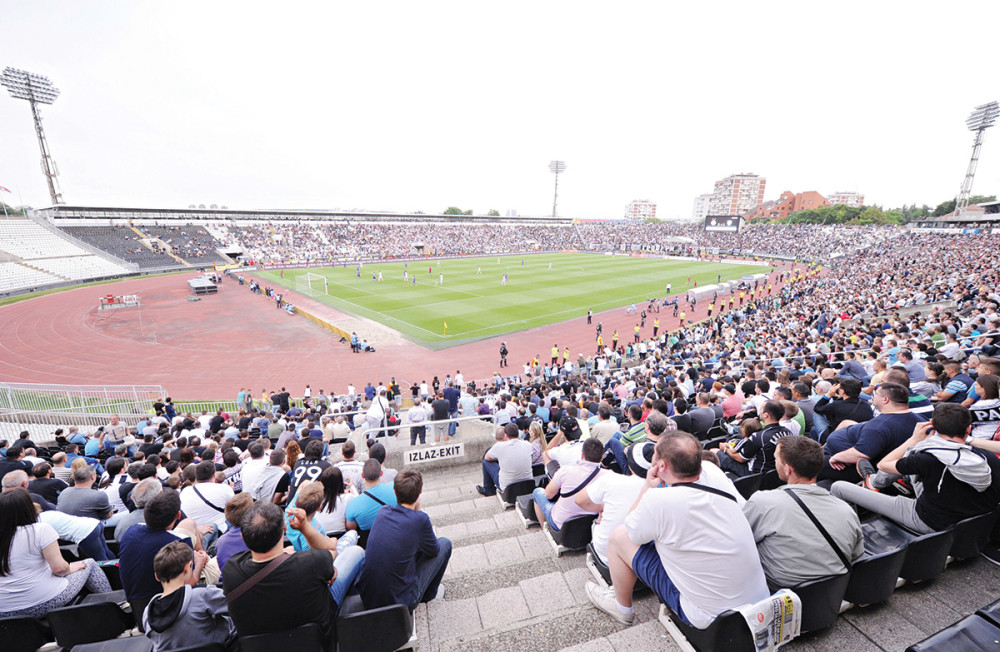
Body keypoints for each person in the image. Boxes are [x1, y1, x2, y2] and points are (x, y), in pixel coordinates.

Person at [585, 432, 768, 627]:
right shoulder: (713, 471)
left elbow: (631, 529)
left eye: (655, 452)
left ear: (661, 465)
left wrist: (647, 485)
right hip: (758, 599)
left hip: (707, 615)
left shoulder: (657, 501)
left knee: (619, 536)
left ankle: (621, 607)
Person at [832, 403, 1000, 534]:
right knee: (914, 464)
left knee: (838, 487)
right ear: (969, 428)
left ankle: (873, 484)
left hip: (929, 522)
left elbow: (883, 464)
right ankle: (877, 482)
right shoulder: (988, 456)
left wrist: (913, 440)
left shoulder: (924, 457)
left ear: (933, 425)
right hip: (976, 521)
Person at [222, 501, 361, 650]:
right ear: (284, 529)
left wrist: (287, 554)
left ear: (243, 537)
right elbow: (331, 549)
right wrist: (305, 527)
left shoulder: (231, 571)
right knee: (356, 551)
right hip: (318, 641)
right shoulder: (312, 563)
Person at [742, 436, 863, 590]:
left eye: (776, 459)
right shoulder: (846, 509)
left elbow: (739, 540)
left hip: (780, 590)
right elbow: (857, 554)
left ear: (788, 469)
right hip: (832, 590)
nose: (775, 463)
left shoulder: (762, 502)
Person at [0, 489, 113, 618]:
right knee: (90, 563)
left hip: (4, 611)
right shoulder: (40, 529)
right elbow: (59, 569)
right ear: (28, 508)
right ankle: (113, 606)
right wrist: (70, 568)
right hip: (45, 602)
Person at [357, 467, 451, 611]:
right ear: (420, 492)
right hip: (400, 603)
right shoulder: (420, 519)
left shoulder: (383, 512)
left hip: (368, 596)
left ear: (394, 492)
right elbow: (434, 550)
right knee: (445, 543)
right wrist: (418, 509)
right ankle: (429, 595)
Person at [120, 490, 210, 611]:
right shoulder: (179, 542)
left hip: (137, 605)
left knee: (189, 523)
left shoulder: (131, 531)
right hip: (167, 607)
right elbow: (189, 583)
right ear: (178, 515)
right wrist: (200, 561)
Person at [821, 382, 926, 484]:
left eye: (876, 394)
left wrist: (836, 457)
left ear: (885, 399)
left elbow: (861, 454)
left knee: (808, 463)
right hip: (844, 449)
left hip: (853, 465)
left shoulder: (879, 426)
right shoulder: (920, 420)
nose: (873, 397)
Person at [143, 541, 239, 652]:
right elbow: (239, 606)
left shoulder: (147, 613)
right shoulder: (204, 595)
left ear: (157, 577)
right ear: (188, 567)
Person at [532, 438, 604, 531]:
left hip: (561, 524)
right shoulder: (608, 475)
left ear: (582, 455)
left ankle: (544, 529)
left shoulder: (565, 471)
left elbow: (548, 495)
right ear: (602, 458)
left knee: (537, 492)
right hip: (591, 521)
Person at [715, 400, 791, 477]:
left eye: (761, 409)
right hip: (774, 474)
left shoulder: (759, 436)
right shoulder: (788, 432)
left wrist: (725, 449)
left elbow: (740, 458)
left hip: (754, 474)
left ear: (766, 415)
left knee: (714, 452)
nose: (759, 411)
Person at [345, 459, 398, 541]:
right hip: (397, 538)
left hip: (371, 546)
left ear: (362, 475)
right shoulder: (396, 488)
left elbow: (351, 527)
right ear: (381, 473)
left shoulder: (353, 504)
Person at [477, 423, 533, 497]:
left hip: (508, 488)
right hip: (528, 485)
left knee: (486, 462)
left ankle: (489, 490)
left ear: (505, 435)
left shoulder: (499, 446)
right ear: (518, 433)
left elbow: (487, 457)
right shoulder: (528, 444)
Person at [179, 460, 234, 532]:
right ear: (214, 475)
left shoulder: (185, 491)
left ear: (196, 476)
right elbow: (234, 510)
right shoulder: (225, 488)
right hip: (219, 531)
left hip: (195, 533)